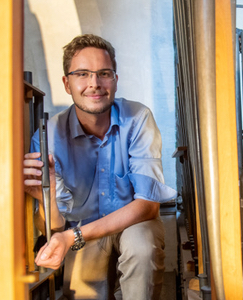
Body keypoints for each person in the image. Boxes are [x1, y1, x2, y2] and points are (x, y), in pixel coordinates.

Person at [23, 34, 177, 300]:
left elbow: (148, 205)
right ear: (66, 83)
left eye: (103, 73)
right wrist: (44, 198)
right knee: (82, 293)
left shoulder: (138, 118)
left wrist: (73, 236)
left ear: (115, 80)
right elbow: (54, 227)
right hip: (80, 233)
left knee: (142, 247)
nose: (94, 84)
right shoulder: (47, 137)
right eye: (82, 74)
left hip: (133, 224)